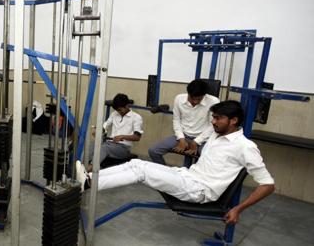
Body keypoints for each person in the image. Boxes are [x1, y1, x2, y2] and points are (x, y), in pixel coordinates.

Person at [76, 100, 275, 225]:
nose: (213, 122)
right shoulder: (216, 134)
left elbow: (268, 185)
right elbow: (194, 140)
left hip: (199, 190)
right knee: (136, 165)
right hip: (186, 176)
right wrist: (188, 143)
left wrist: (238, 209)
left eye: (218, 118)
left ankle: (89, 184)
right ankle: (89, 178)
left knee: (141, 172)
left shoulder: (245, 146)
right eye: (213, 117)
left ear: (234, 120)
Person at [148, 79, 220, 165]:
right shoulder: (179, 98)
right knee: (153, 151)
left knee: (208, 159)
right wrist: (181, 139)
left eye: (199, 99)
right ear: (188, 93)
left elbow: (213, 125)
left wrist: (196, 141)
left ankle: (195, 177)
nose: (195, 102)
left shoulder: (213, 101)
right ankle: (165, 173)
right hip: (183, 135)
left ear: (204, 95)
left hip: (204, 139)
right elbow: (176, 120)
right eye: (192, 98)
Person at [86, 93, 143, 172]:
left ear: (127, 106)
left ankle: (89, 169)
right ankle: (83, 165)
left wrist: (122, 136)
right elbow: (105, 126)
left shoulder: (136, 117)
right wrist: (98, 131)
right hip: (110, 144)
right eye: (117, 110)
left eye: (120, 110)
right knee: (92, 144)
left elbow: (137, 137)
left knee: (103, 148)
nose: (119, 112)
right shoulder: (114, 114)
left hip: (123, 148)